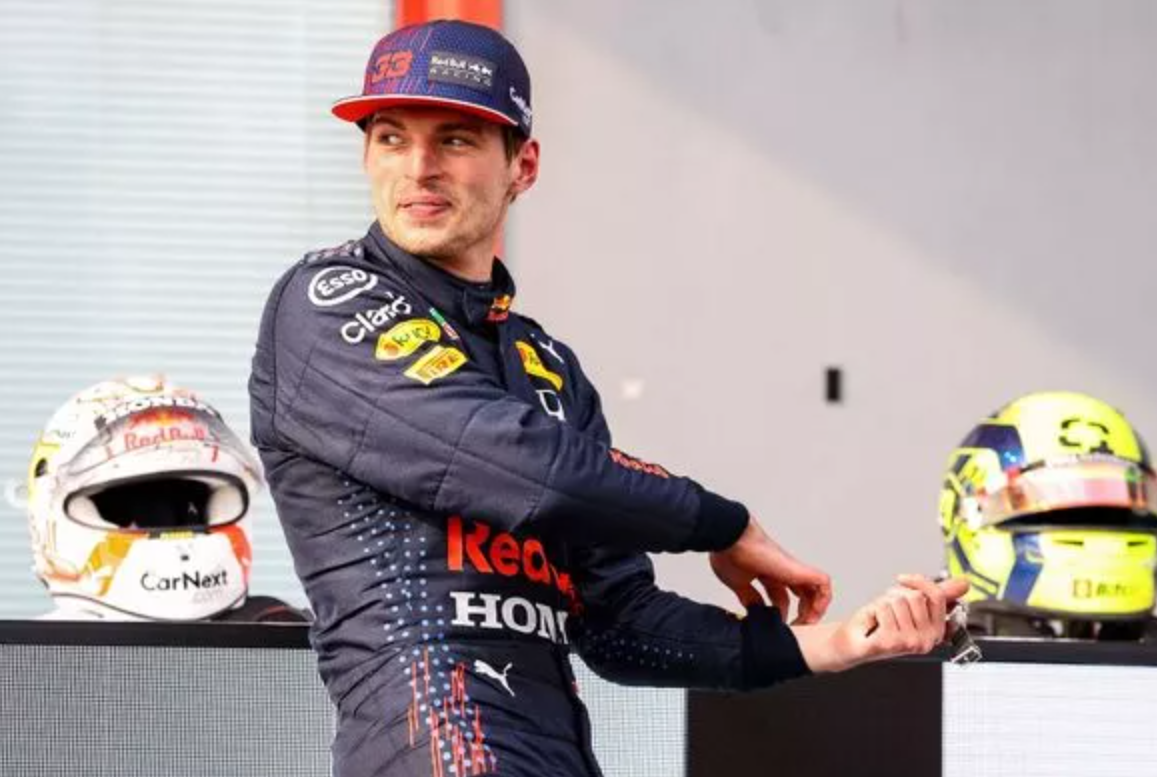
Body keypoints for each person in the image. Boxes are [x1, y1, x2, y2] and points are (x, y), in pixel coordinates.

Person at [249, 19, 967, 777]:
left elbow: (619, 623)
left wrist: (836, 642)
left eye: (455, 140)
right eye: (392, 138)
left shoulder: (548, 367)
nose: (418, 168)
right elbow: (522, 468)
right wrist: (718, 521)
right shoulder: (327, 300)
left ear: (522, 165)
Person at [26, 375, 305, 623]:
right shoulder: (40, 655)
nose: (167, 522)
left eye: (186, 505)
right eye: (119, 508)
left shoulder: (274, 635)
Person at [940, 390, 1157, 640]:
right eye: (1062, 510)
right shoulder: (921, 647)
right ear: (961, 513)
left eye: (1112, 509)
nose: (1093, 519)